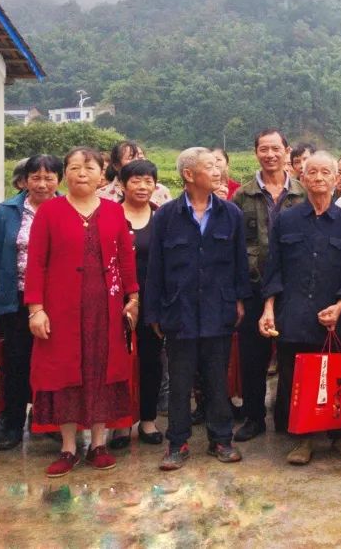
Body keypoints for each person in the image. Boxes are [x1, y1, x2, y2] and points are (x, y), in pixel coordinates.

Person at [25, 147, 139, 477]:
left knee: (102, 370)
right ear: (65, 174)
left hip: (106, 309)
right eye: (75, 168)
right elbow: (36, 263)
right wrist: (36, 309)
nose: (82, 174)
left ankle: (99, 444)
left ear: (102, 175)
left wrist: (133, 298)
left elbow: (126, 259)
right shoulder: (50, 212)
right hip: (60, 310)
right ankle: (68, 447)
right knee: (64, 373)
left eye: (89, 168)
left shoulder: (114, 212)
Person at [146, 147, 249, 470]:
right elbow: (155, 268)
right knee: (180, 381)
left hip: (219, 308)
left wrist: (240, 300)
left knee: (217, 378)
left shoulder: (230, 213)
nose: (218, 171)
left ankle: (222, 439)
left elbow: (239, 263)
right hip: (180, 310)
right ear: (189, 175)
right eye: (209, 166)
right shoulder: (166, 216)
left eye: (218, 165)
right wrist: (154, 313)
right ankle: (177, 442)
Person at [260, 151, 341, 464]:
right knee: (295, 378)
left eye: (325, 173)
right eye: (312, 173)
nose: (319, 178)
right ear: (302, 179)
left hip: (336, 319)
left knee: (338, 378)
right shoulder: (286, 220)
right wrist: (268, 308)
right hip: (294, 315)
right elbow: (273, 268)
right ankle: (302, 439)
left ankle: (337, 435)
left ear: (337, 179)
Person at [0, 153, 63, 451]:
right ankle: (11, 421)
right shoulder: (5, 212)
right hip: (14, 300)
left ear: (59, 180)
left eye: (49, 177)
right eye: (35, 177)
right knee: (15, 362)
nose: (42, 184)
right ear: (24, 181)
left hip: (56, 301)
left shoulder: (68, 209)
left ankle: (45, 419)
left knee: (52, 363)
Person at [231, 129, 306, 442]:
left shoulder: (303, 193)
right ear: (256, 153)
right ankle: (254, 417)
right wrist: (237, 294)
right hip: (254, 287)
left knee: (291, 354)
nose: (270, 155)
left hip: (293, 288)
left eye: (276, 148)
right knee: (253, 357)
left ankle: (288, 415)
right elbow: (234, 248)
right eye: (264, 149)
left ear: (287, 152)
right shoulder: (242, 196)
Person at [108, 159, 166, 449]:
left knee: (151, 361)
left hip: (152, 302)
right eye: (135, 180)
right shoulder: (109, 215)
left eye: (148, 181)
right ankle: (120, 423)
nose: (143, 186)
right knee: (118, 363)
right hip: (115, 303)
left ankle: (148, 420)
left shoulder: (162, 218)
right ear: (122, 184)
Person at [98, 140, 172, 206]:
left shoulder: (160, 191)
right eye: (131, 158)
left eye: (140, 157)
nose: (138, 162)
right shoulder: (101, 195)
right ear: (116, 165)